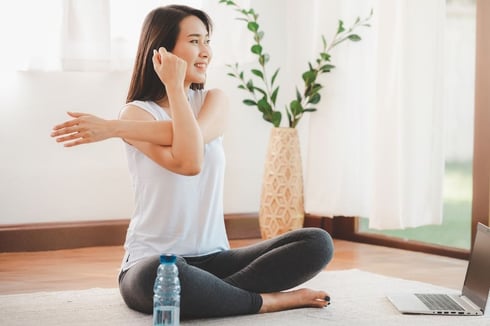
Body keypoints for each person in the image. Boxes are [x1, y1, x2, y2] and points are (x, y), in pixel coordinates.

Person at [51, 4, 334, 319]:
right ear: (162, 51)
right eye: (195, 41)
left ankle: (216, 295)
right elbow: (189, 162)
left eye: (207, 41)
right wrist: (166, 90)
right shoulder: (137, 113)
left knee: (316, 242)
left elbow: (191, 144)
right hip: (153, 262)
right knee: (160, 277)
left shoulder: (214, 100)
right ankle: (267, 301)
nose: (206, 52)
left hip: (216, 260)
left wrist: (114, 128)